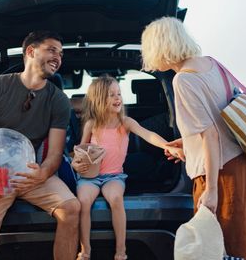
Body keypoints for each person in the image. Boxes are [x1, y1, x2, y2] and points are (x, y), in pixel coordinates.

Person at [140, 17, 246, 260]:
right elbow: (223, 117)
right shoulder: (211, 63)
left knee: (227, 245)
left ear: (158, 47)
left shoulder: (183, 79)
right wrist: (189, 143)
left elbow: (210, 134)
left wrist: (212, 190)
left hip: (227, 172)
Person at [0, 31, 81, 260]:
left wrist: (42, 173)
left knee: (71, 208)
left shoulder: (58, 100)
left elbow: (55, 152)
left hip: (30, 174)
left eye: (61, 54)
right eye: (52, 50)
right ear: (31, 51)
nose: (58, 57)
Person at [73, 75, 183, 260]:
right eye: (111, 95)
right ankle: (85, 251)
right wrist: (76, 163)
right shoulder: (92, 125)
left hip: (114, 176)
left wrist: (168, 146)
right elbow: (80, 150)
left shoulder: (125, 122)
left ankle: (121, 251)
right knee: (83, 201)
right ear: (99, 100)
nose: (118, 98)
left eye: (119, 94)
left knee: (116, 198)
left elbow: (149, 135)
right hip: (90, 177)